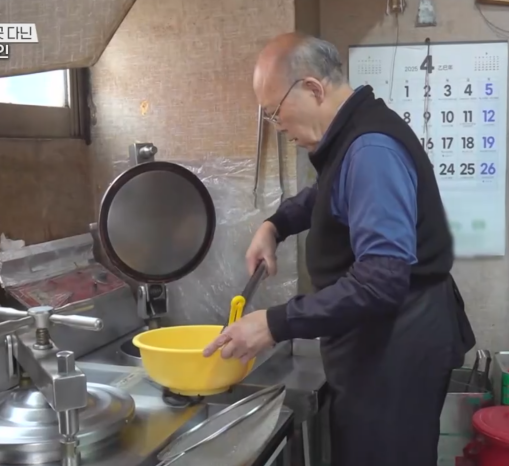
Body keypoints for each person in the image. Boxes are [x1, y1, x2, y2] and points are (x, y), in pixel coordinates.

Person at [203, 33, 476, 466]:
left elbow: (380, 283)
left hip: (397, 345)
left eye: (275, 112)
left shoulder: (371, 150)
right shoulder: (352, 136)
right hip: (383, 338)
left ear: (313, 88)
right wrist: (276, 225)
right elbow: (326, 195)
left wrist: (275, 323)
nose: (278, 127)